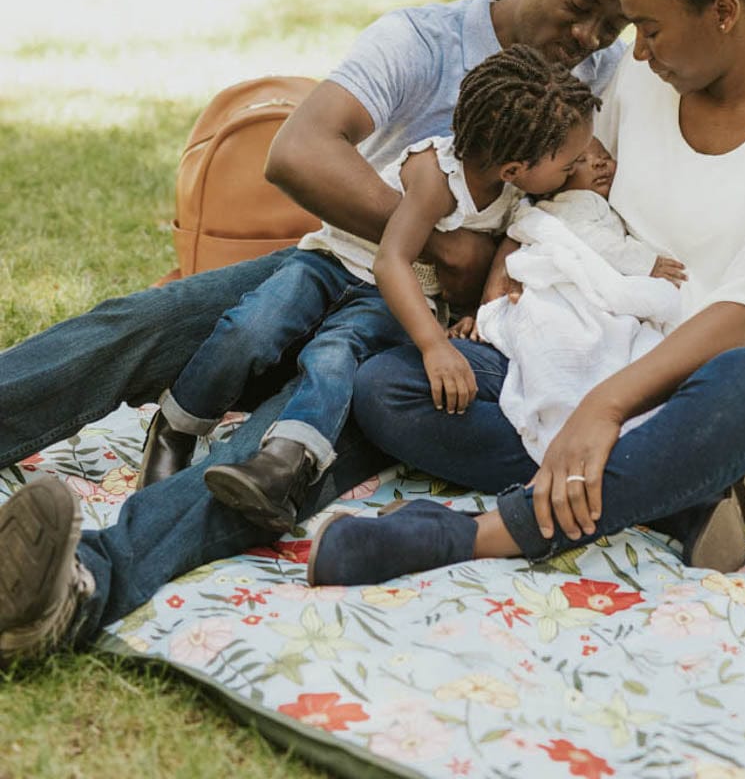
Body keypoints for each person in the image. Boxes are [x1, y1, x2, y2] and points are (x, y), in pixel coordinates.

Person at [0, 0, 639, 663]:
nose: (588, 38)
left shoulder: (608, 79)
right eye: (579, 8)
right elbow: (296, 151)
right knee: (142, 323)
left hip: (412, 342)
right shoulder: (422, 41)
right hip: (338, 267)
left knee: (273, 458)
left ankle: (73, 591)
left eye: (612, 26)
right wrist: (439, 243)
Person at [307, 0, 745, 589]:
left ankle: (475, 535)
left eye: (649, 29)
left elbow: (739, 321)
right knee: (390, 387)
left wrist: (604, 407)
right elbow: (566, 189)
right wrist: (504, 279)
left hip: (708, 384)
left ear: (724, 12)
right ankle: (676, 491)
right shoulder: (647, 81)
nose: (634, 52)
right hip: (587, 345)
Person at [140, 46, 600, 534]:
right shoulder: (435, 174)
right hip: (333, 264)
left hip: (389, 300)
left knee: (334, 358)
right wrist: (434, 346)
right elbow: (391, 261)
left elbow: (493, 252)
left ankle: (281, 468)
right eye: (569, 163)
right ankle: (176, 428)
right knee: (252, 327)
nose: (574, 169)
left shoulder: (516, 191)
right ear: (514, 167)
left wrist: (470, 314)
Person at [464, 137, 685, 464]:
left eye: (604, 156)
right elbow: (589, 238)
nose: (599, 163)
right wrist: (645, 262)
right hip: (561, 289)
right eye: (581, 161)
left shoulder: (599, 202)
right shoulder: (576, 202)